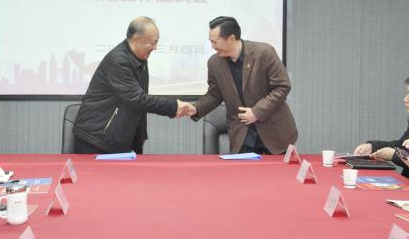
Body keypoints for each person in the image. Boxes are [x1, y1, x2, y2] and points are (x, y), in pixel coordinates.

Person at [73, 17, 193, 154]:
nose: (155, 48)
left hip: (120, 139)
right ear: (136, 40)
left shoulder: (139, 58)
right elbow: (137, 99)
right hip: (97, 140)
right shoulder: (119, 61)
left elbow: (138, 101)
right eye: (153, 42)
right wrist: (174, 106)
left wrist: (138, 139)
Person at [186, 16, 297, 154]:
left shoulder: (264, 52)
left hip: (275, 132)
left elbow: (282, 86)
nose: (212, 47)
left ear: (231, 38)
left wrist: (257, 112)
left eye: (214, 42)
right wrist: (196, 108)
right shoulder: (214, 63)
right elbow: (214, 94)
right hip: (242, 135)